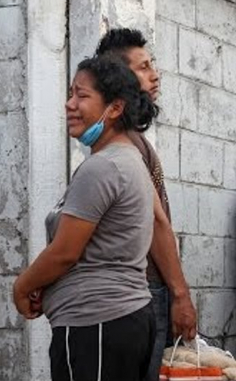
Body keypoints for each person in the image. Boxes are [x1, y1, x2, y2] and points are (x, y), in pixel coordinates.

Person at [14, 56, 160, 381]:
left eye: (81, 95)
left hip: (95, 324)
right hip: (116, 322)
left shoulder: (104, 167)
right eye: (70, 94)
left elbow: (65, 252)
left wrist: (22, 286)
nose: (69, 104)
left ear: (115, 108)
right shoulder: (126, 160)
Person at [96, 27, 197, 381]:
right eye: (143, 67)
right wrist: (180, 295)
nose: (154, 76)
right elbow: (155, 223)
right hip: (145, 291)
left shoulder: (131, 140)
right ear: (121, 78)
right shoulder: (126, 145)